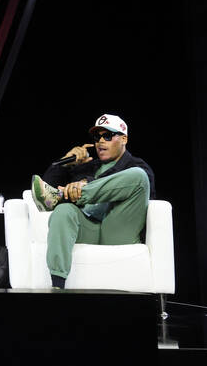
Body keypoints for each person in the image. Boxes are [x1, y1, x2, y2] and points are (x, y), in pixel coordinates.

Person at [30, 113, 154, 289]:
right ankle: (57, 287)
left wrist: (85, 185)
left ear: (124, 139)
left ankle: (68, 196)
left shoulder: (136, 165)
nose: (100, 141)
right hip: (89, 227)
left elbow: (144, 192)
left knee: (138, 177)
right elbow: (45, 188)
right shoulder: (88, 166)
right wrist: (64, 162)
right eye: (97, 137)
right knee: (63, 211)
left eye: (108, 136)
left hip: (117, 228)